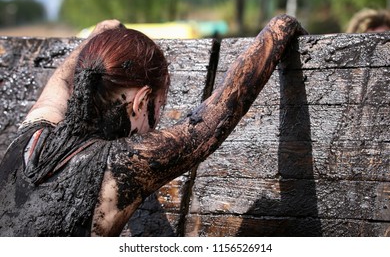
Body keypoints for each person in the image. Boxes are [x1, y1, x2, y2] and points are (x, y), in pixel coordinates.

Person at [0, 15, 307, 236]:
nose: (156, 122)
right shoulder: (121, 164)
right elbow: (212, 121)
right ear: (140, 101)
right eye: (158, 106)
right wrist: (281, 26)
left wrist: (102, 34)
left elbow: (60, 81)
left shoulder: (31, 135)